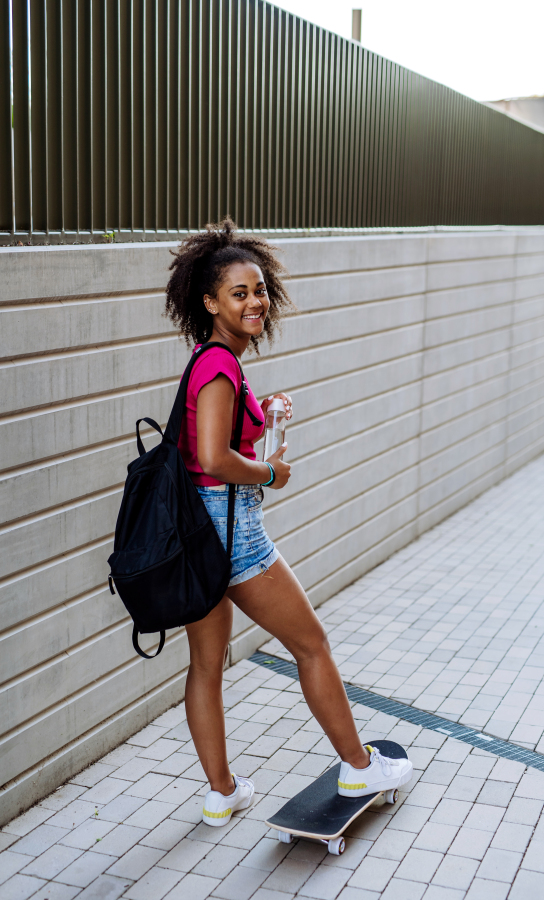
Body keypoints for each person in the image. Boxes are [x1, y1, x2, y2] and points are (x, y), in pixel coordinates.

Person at [165, 217, 413, 826]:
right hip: (232, 533)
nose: (255, 302)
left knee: (205, 666)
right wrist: (271, 474)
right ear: (209, 301)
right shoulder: (219, 366)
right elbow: (216, 458)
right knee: (311, 645)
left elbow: (211, 439)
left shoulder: (212, 362)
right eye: (239, 293)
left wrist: (264, 412)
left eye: (258, 290)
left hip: (196, 534)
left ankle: (222, 794)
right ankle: (359, 766)